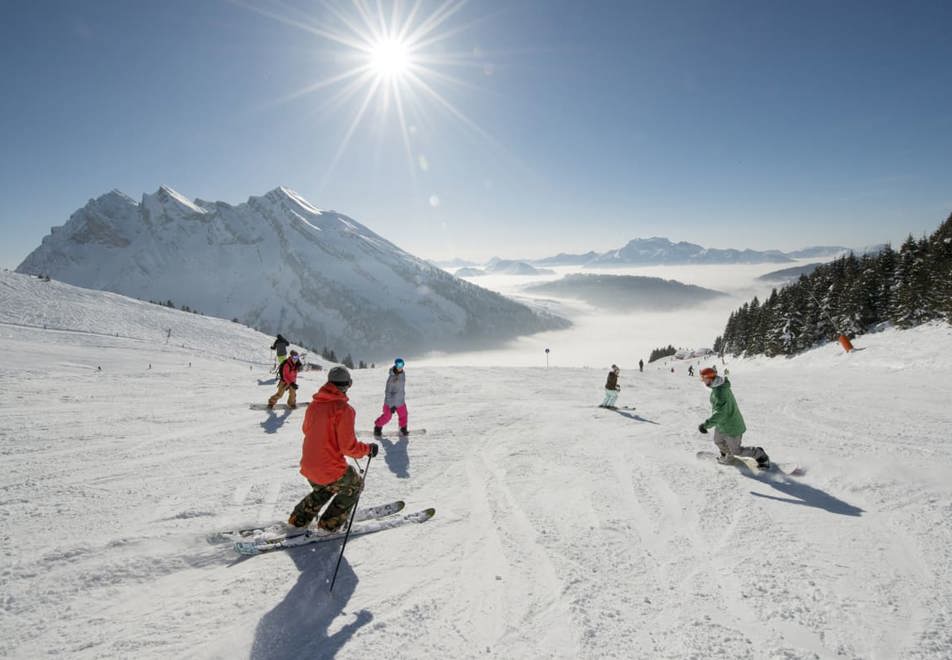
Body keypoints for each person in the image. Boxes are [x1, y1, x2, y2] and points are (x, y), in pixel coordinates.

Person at [286, 366, 378, 535]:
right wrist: (367, 449)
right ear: (348, 385)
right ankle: (328, 525)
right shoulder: (344, 410)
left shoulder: (314, 405)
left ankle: (298, 519)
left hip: (308, 465)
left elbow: (307, 430)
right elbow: (348, 447)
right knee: (355, 485)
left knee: (324, 488)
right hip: (329, 468)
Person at [697, 367, 769, 468]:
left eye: (703, 379)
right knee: (718, 441)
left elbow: (721, 413)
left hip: (732, 426)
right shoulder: (717, 387)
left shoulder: (720, 392)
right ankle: (728, 455)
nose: (703, 381)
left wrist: (706, 425)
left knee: (737, 451)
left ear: (709, 378)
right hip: (721, 424)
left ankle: (759, 454)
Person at [374, 358, 409, 436]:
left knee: (404, 415)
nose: (400, 367)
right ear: (395, 365)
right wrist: (391, 405)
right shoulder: (391, 379)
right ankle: (377, 427)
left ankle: (403, 428)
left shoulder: (402, 374)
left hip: (400, 401)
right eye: (398, 365)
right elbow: (388, 393)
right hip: (390, 403)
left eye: (401, 365)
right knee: (387, 417)